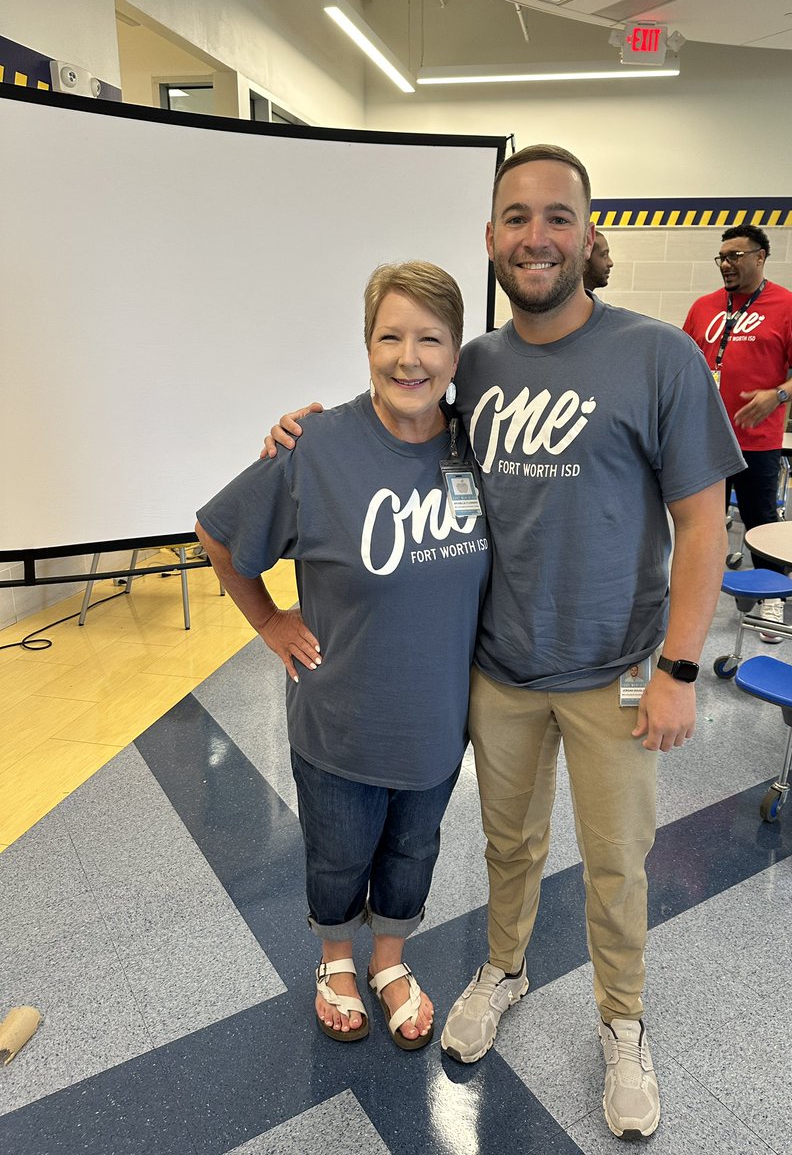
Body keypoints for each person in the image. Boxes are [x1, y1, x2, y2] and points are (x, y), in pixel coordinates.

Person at [263, 145, 745, 1140]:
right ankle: (504, 968)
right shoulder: (471, 362)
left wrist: (680, 669)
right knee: (507, 844)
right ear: (490, 239)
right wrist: (296, 434)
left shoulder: (660, 357)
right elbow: (393, 422)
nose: (536, 237)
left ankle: (622, 1026)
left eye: (557, 217)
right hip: (500, 669)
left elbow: (703, 523)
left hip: (618, 671)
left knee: (617, 861)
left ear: (588, 234)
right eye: (516, 218)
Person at [196, 262, 490, 1052]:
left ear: (456, 354)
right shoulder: (317, 446)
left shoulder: (477, 448)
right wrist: (267, 621)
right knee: (338, 858)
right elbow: (219, 535)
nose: (409, 358)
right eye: (390, 336)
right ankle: (335, 963)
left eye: (430, 339)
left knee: (412, 854)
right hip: (340, 724)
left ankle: (389, 963)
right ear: (366, 346)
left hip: (434, 727)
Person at [683, 224, 792, 642]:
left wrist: (777, 395)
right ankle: (697, 599)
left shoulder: (791, 306)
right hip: (705, 439)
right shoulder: (704, 307)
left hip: (757, 441)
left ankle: (771, 598)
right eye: (721, 257)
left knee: (760, 521)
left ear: (760, 257)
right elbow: (685, 364)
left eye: (735, 256)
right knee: (702, 524)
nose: (726, 264)